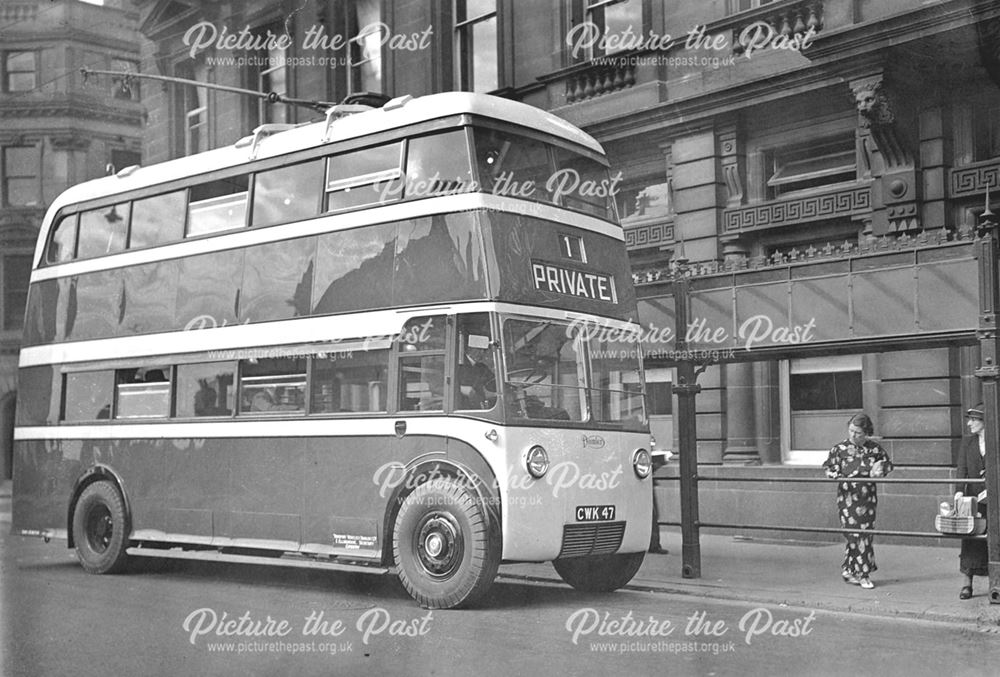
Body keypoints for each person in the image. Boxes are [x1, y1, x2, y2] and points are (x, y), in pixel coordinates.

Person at [822, 412, 893, 589]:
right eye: (851, 430)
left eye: (858, 433)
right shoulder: (839, 449)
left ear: (866, 433)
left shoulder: (874, 449)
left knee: (863, 535)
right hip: (847, 499)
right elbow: (829, 467)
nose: (853, 435)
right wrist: (834, 474)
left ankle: (849, 570)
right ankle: (862, 574)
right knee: (855, 534)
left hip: (867, 498)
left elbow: (887, 465)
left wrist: (880, 470)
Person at [956, 404, 988, 600]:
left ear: (985, 422)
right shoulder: (967, 443)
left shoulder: (996, 441)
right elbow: (962, 470)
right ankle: (967, 584)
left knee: (994, 540)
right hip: (974, 500)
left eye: (974, 420)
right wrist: (959, 493)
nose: (969, 424)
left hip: (995, 499)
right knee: (971, 540)